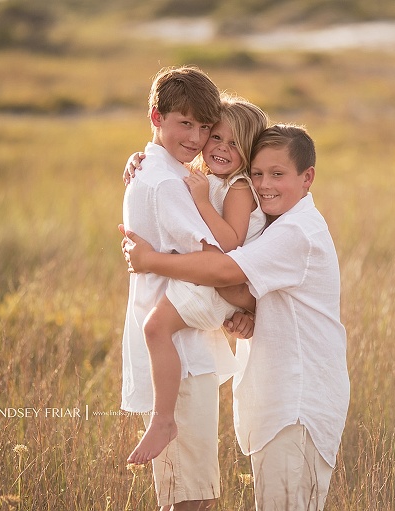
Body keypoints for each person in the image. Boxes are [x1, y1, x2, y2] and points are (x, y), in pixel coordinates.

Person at [120, 124, 350, 510]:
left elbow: (227, 273)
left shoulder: (296, 230)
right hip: (278, 402)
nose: (263, 185)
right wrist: (149, 157)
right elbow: (260, 296)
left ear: (307, 177)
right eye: (257, 173)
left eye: (277, 175)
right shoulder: (279, 224)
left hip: (297, 405)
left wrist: (150, 261)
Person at [120, 65, 249, 511]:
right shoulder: (165, 183)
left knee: (195, 490)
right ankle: (162, 420)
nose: (195, 138)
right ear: (156, 117)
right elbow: (217, 264)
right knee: (188, 498)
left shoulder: (163, 172)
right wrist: (249, 304)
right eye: (184, 124)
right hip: (183, 358)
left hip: (187, 346)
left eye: (203, 127)